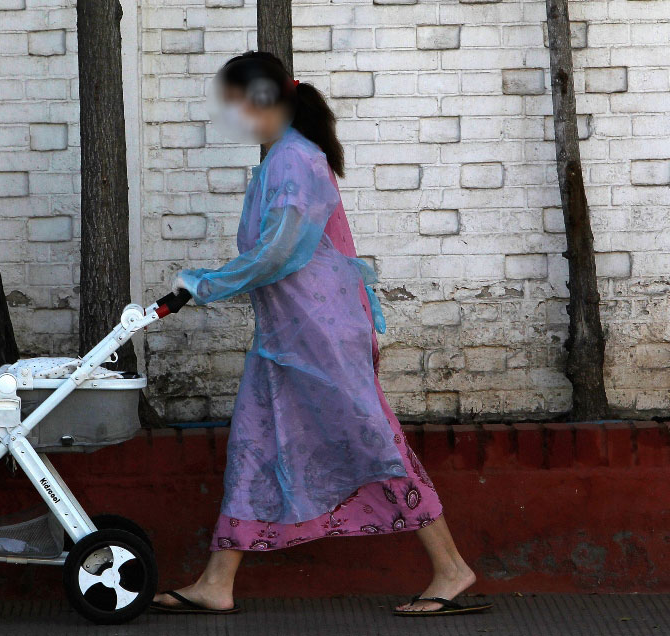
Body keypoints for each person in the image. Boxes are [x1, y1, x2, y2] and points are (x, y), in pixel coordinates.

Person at [151, 51, 491, 618]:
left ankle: (452, 568)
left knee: (372, 441)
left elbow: (280, 252)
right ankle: (217, 580)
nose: (230, 115)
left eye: (234, 102)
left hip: (320, 335)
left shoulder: (294, 161)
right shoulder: (281, 160)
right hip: (286, 335)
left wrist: (203, 285)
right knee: (255, 449)